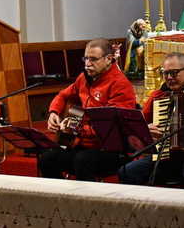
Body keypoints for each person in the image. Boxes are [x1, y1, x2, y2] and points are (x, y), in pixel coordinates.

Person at [39, 39, 137, 181]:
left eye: (93, 59)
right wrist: (54, 112)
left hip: (110, 150)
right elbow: (63, 95)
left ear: (109, 59)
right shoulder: (83, 78)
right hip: (82, 144)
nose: (87, 64)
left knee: (82, 160)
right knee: (47, 159)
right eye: (85, 58)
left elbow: (111, 127)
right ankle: (61, 199)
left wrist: (76, 127)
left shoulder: (120, 85)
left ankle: (86, 202)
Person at [118, 52, 184, 190]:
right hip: (164, 156)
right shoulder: (159, 95)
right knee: (127, 171)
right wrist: (147, 129)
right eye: (165, 73)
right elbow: (138, 126)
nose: (169, 78)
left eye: (174, 73)